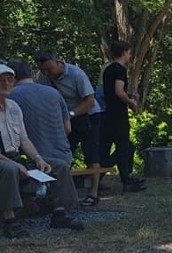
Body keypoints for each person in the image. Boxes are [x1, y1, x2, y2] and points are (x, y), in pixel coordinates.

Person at [0, 63, 82, 237]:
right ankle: (10, 221)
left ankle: (60, 213)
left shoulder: (14, 107)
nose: (7, 83)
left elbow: (23, 139)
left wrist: (38, 159)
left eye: (10, 79)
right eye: (2, 80)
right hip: (3, 160)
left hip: (15, 156)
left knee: (58, 165)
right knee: (10, 169)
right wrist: (17, 166)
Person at [34, 50, 103, 202]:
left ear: (57, 63)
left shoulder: (76, 74)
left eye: (49, 69)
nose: (46, 73)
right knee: (61, 154)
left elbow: (90, 101)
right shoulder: (41, 77)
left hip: (87, 115)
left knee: (91, 154)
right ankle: (59, 192)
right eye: (43, 70)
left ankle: (93, 193)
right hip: (63, 118)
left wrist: (69, 115)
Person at [99, 40, 146, 193]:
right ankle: (124, 180)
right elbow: (119, 91)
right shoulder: (119, 69)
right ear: (125, 52)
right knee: (123, 147)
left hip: (107, 113)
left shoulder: (107, 69)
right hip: (118, 115)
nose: (130, 56)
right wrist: (131, 102)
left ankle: (98, 178)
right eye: (130, 53)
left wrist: (128, 96)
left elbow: (111, 92)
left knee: (107, 147)